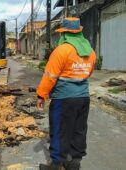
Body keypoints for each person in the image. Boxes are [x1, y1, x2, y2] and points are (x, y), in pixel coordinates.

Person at [36, 17, 97, 170]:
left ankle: (56, 165)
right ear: (79, 32)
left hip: (63, 99)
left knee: (58, 131)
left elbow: (50, 76)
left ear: (64, 33)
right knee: (78, 130)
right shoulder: (90, 51)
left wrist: (41, 95)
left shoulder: (61, 50)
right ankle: (74, 163)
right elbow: (88, 73)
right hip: (83, 98)